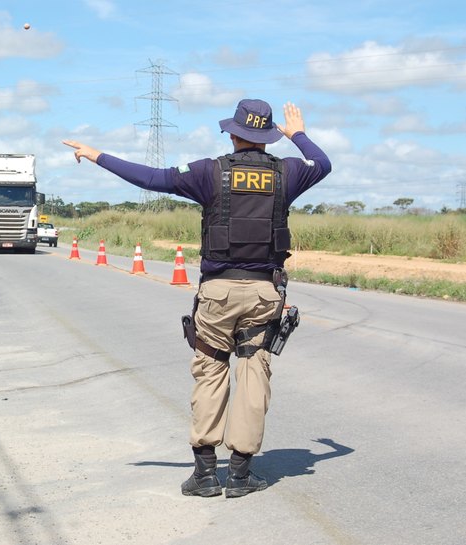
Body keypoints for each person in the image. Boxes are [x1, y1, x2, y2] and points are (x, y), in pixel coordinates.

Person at [63, 99, 331, 498]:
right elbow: (322, 164)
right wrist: (298, 135)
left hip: (218, 292)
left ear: (234, 133)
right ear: (268, 136)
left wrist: (97, 154)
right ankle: (240, 475)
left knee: (210, 369)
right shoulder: (287, 173)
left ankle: (205, 474)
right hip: (263, 291)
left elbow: (151, 178)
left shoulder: (210, 172)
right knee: (254, 373)